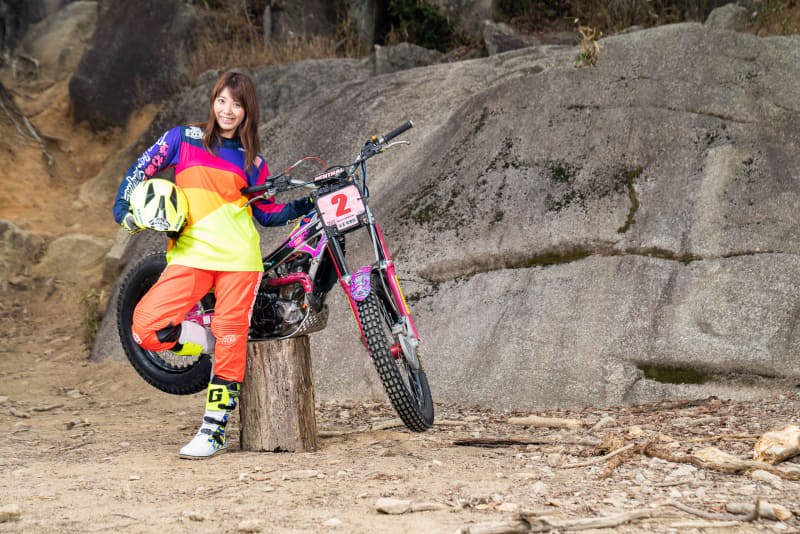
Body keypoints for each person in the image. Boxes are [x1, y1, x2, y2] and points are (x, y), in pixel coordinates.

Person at [112, 72, 312, 459]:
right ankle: (212, 345)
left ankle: (214, 429)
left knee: (232, 332)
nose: (228, 110)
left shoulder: (254, 161)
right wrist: (124, 210)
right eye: (222, 100)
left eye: (237, 104)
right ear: (213, 101)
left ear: (247, 111)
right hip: (190, 255)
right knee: (146, 328)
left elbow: (267, 215)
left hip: (239, 261)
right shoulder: (181, 138)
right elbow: (140, 172)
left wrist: (306, 205)